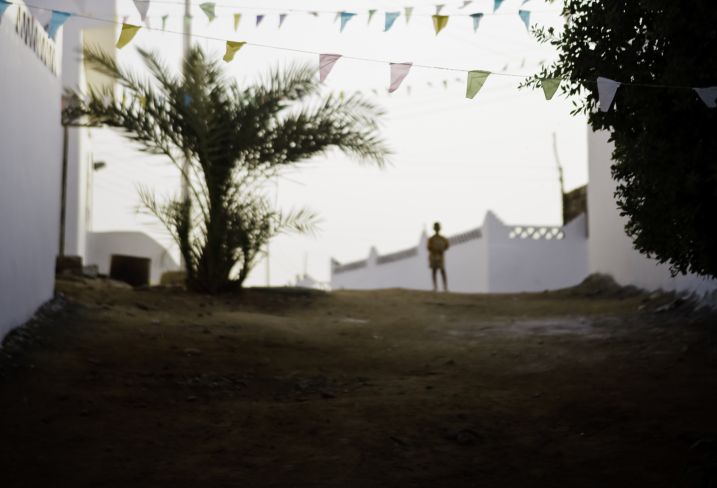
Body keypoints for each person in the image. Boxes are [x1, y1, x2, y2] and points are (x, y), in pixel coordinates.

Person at [427, 222, 449, 292]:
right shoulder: (431, 239)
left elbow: (447, 245)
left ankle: (445, 287)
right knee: (434, 271)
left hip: (440, 257)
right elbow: (428, 247)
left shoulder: (443, 238)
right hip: (433, 257)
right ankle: (435, 287)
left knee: (442, 271)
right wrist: (435, 250)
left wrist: (441, 250)